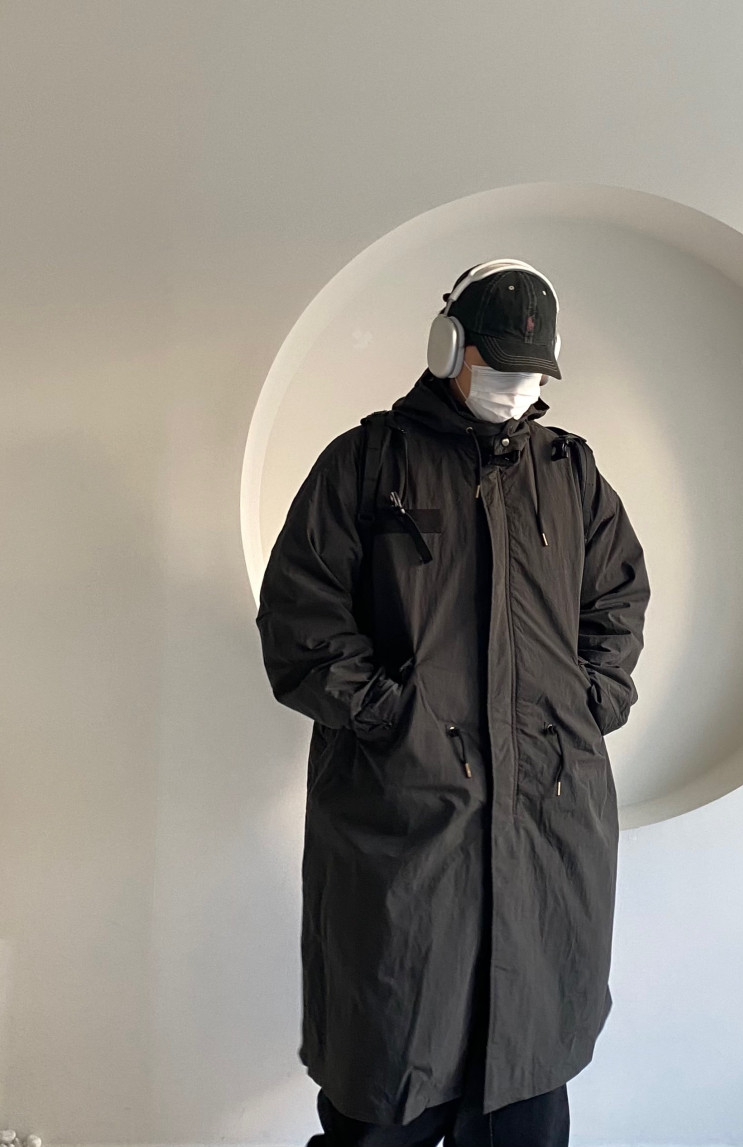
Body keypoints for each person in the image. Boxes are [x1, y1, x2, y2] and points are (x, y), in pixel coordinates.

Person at [255, 259, 651, 1145]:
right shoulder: (367, 465)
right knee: (389, 1091)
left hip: (546, 829)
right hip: (407, 833)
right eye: (497, 364)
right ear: (449, 348)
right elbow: (300, 621)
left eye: (530, 372)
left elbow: (619, 602)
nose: (515, 387)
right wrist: (394, 721)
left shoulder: (571, 475)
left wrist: (588, 700)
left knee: (525, 1096)